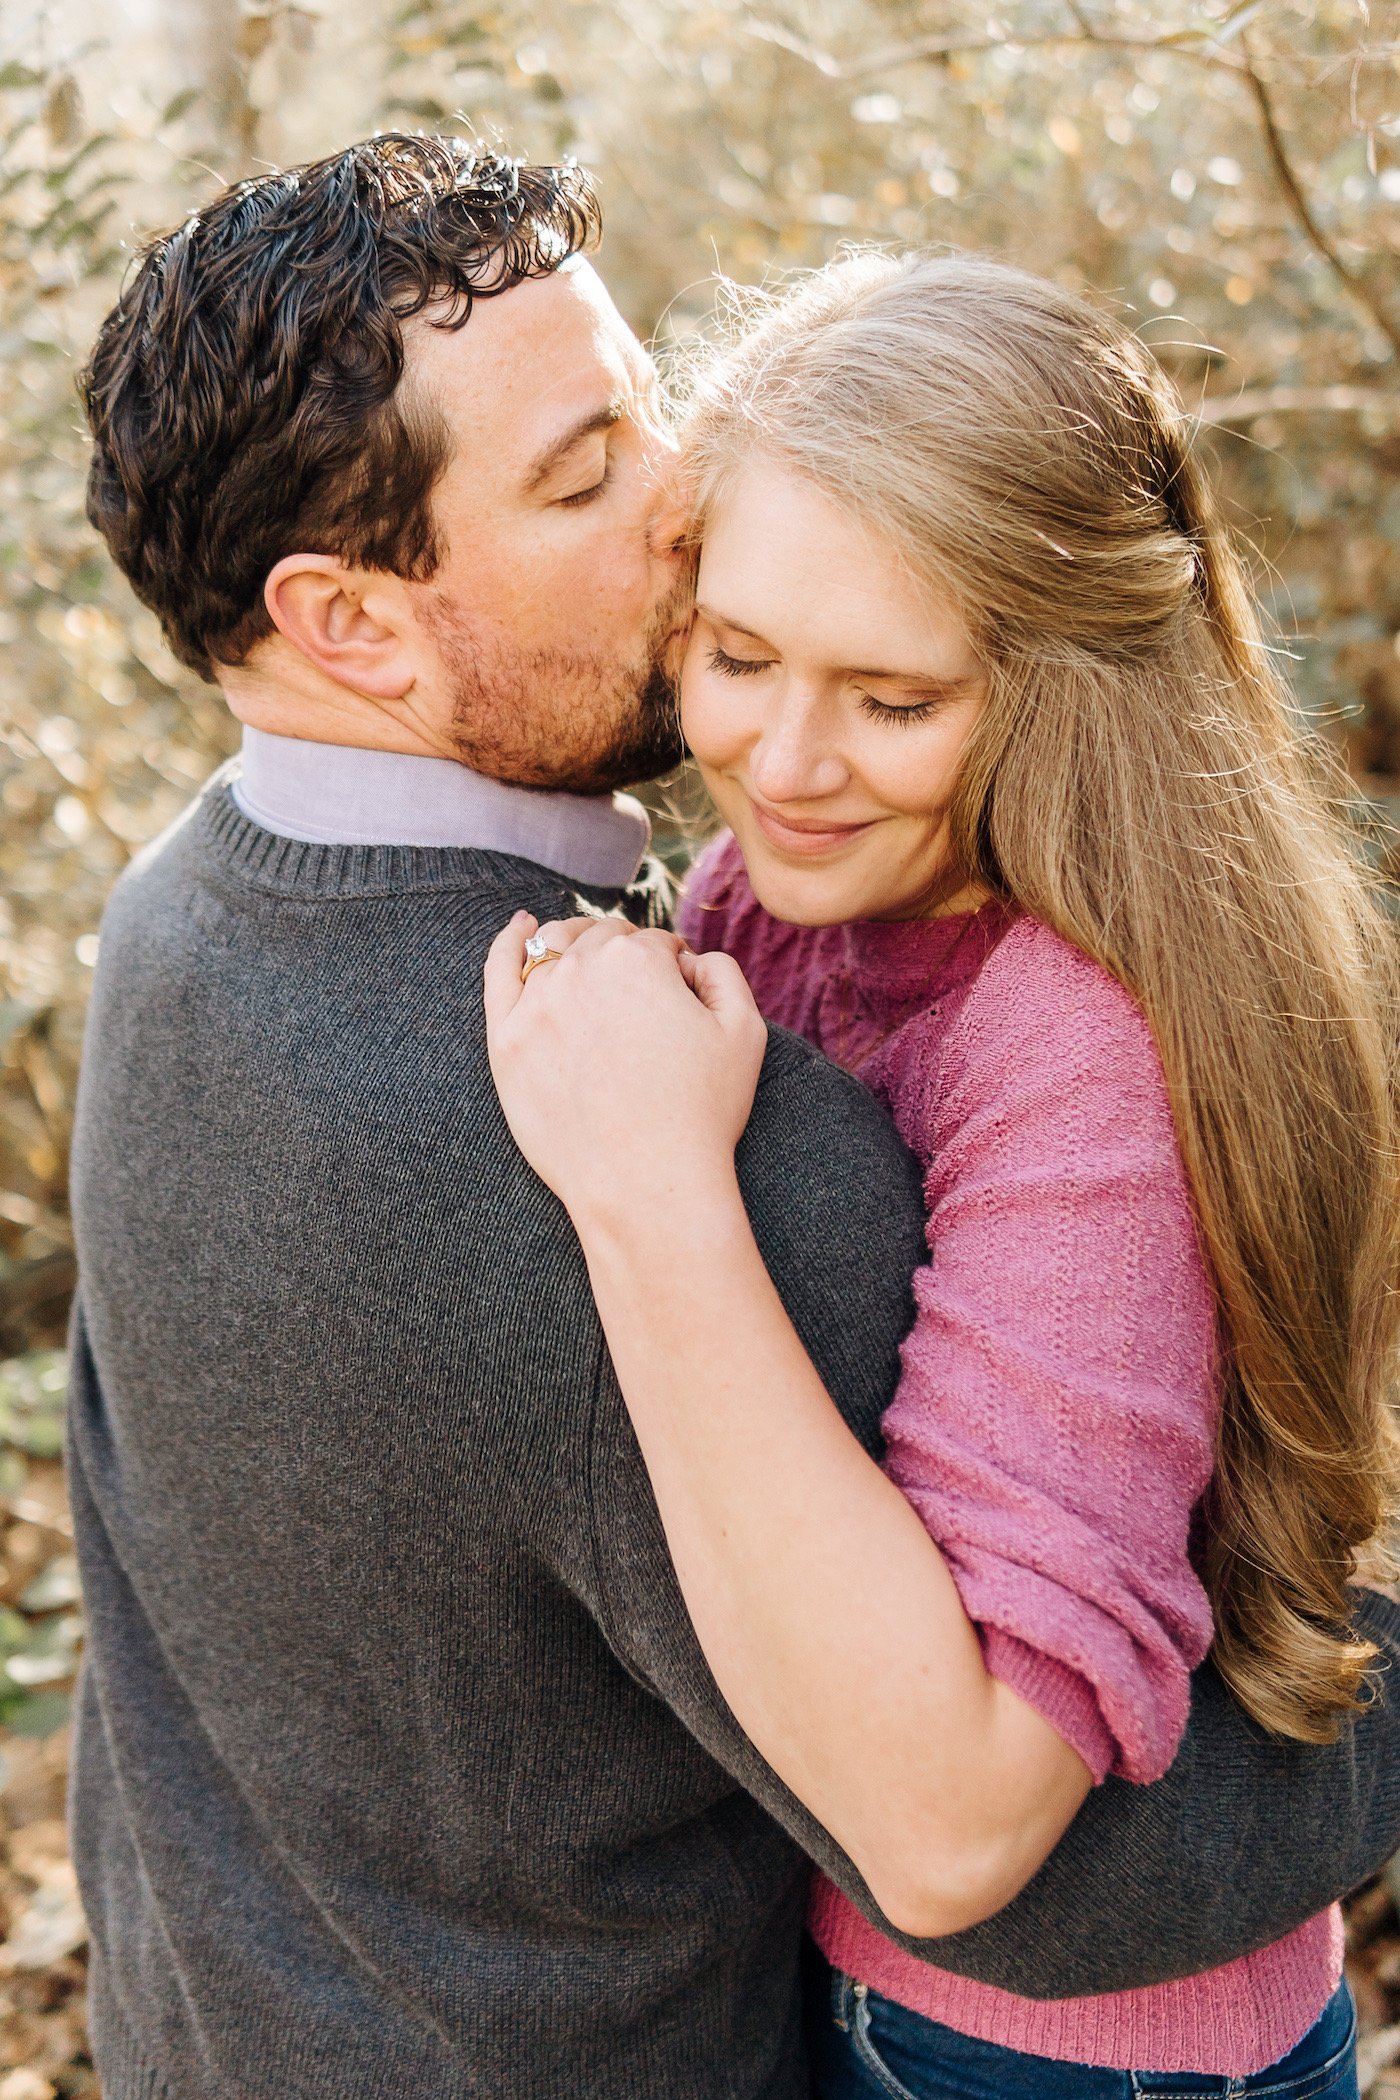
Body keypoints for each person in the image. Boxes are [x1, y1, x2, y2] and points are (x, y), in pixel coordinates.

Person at [69, 138, 1400, 2100]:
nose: (684, 496)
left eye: (647, 410)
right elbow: (1007, 1867)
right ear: (352, 624)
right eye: (588, 469)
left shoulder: (182, 924)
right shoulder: (647, 1124)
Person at [485, 253, 1400, 2100]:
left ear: (1071, 692)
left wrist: (650, 1188)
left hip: (1055, 2062)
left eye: (896, 701)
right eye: (736, 658)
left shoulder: (1087, 1055)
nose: (784, 761)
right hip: (841, 1987)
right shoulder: (806, 889)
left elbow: (958, 1826)